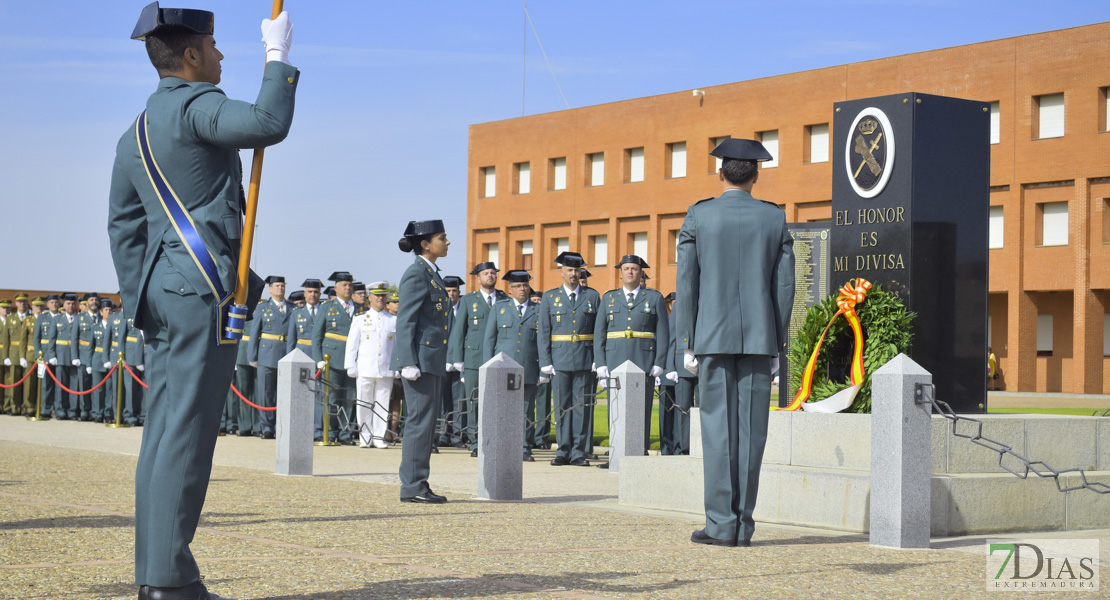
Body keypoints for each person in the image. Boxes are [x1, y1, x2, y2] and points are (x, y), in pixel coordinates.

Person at [106, 3, 297, 598]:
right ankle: (168, 581)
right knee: (187, 436)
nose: (220, 56)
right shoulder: (197, 106)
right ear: (190, 56)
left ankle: (156, 574)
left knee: (163, 435)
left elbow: (124, 226)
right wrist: (278, 55)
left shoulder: (136, 128)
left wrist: (148, 296)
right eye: (213, 49)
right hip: (201, 289)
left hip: (166, 292)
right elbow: (268, 122)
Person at [676, 138, 794, 547]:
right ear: (756, 174)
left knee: (717, 430)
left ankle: (720, 524)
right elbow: (785, 287)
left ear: (720, 172)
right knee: (752, 433)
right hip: (761, 338)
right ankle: (743, 526)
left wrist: (687, 340)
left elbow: (687, 283)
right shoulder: (774, 218)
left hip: (710, 335)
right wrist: (778, 343)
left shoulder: (700, 214)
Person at [391, 219, 451, 503]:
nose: (447, 242)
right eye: (443, 237)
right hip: (419, 360)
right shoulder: (417, 273)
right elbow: (406, 320)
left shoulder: (431, 272)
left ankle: (419, 483)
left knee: (427, 423)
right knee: (419, 422)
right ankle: (412, 486)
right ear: (426, 243)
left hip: (432, 359)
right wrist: (406, 360)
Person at [593, 255, 668, 465]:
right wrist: (600, 364)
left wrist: (660, 361)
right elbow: (600, 333)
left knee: (641, 410)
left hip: (643, 360)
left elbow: (662, 332)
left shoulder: (654, 298)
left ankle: (639, 453)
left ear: (640, 272)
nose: (630, 272)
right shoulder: (609, 298)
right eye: (626, 268)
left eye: (634, 269)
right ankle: (615, 454)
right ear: (620, 272)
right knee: (614, 409)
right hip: (615, 360)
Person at [538, 251, 600, 467]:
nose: (574, 274)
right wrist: (545, 361)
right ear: (561, 271)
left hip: (585, 358)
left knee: (581, 406)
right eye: (570, 270)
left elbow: (599, 331)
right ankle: (563, 450)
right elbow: (544, 332)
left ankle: (578, 452)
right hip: (560, 359)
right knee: (562, 406)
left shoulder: (592, 296)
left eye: (577, 270)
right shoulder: (549, 297)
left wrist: (598, 359)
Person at [483, 269, 545, 462]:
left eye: (525, 285)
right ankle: (502, 444)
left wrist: (544, 367)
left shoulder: (539, 310)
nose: (522, 289)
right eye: (517, 286)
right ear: (510, 290)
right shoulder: (500, 308)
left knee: (526, 409)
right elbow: (489, 340)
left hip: (528, 366)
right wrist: (488, 367)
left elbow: (543, 340)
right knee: (502, 408)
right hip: (503, 367)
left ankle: (524, 446)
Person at [449, 261, 506, 456]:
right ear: (478, 278)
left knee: (498, 401)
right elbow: (459, 331)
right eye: (486, 273)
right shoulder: (468, 301)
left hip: (499, 358)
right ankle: (475, 442)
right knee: (473, 401)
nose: (490, 276)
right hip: (473, 358)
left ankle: (495, 440)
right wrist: (458, 358)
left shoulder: (504, 299)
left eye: (493, 273)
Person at [344, 281, 396, 448]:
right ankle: (365, 435)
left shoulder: (393, 320)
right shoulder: (360, 319)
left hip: (385, 367)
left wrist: (397, 366)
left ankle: (379, 436)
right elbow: (352, 344)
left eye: (383, 295)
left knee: (382, 404)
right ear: (370, 297)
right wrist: (350, 364)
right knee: (364, 403)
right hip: (365, 367)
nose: (380, 298)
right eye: (377, 295)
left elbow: (397, 346)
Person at [311, 271, 358, 444]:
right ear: (336, 288)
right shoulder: (326, 307)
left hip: (352, 359)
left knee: (348, 398)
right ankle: (329, 431)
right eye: (344, 285)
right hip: (331, 359)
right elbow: (316, 336)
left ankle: (345, 433)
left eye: (350, 285)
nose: (348, 288)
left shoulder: (360, 309)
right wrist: (318, 359)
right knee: (330, 397)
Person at [247, 275, 292, 439]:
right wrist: (252, 355)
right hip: (266, 355)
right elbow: (254, 333)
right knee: (266, 393)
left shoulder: (292, 307)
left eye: (282, 285)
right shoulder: (262, 307)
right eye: (277, 286)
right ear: (270, 289)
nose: (280, 288)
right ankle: (267, 427)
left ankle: (282, 425)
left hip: (286, 354)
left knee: (285, 394)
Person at [661, 292, 697, 455]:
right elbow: (672, 338)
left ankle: (700, 445)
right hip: (682, 364)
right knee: (683, 409)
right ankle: (683, 448)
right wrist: (670, 367)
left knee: (705, 408)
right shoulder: (679, 305)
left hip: (706, 362)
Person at [439, 275, 464, 447]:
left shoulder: (464, 309)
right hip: (441, 362)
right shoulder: (439, 310)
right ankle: (442, 433)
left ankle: (456, 435)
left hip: (459, 362)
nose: (451, 294)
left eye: (454, 291)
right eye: (448, 291)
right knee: (442, 401)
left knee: (458, 401)